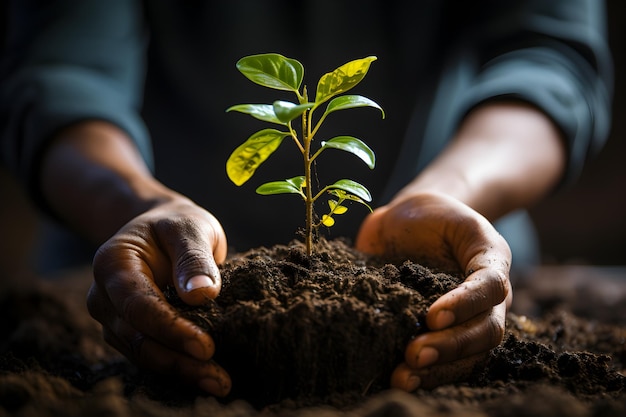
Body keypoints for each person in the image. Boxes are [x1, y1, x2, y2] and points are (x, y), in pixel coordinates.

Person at [0, 1, 612, 397]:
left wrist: (448, 194)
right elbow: (60, 72)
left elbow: (549, 56)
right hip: (142, 279)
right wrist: (134, 204)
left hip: (439, 259)